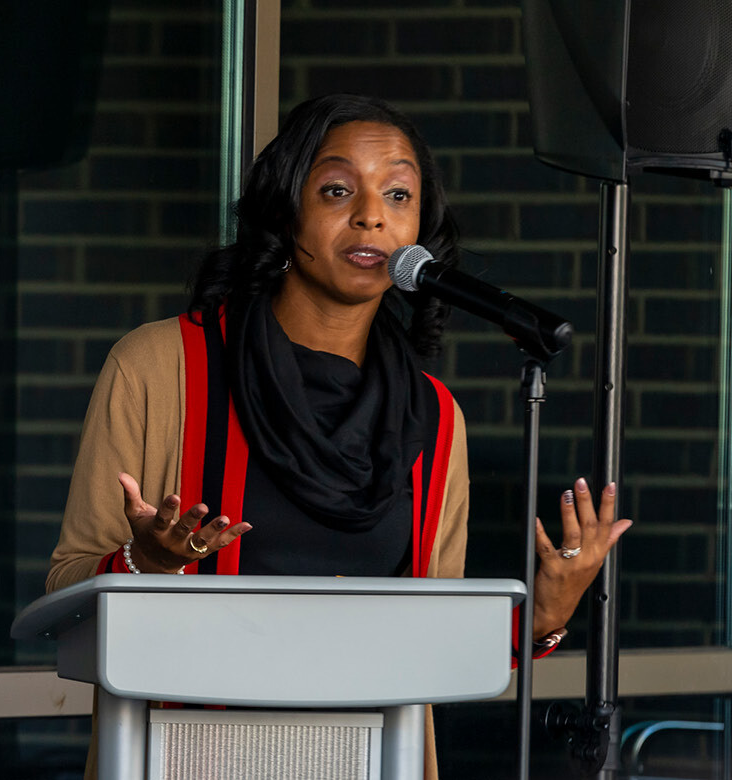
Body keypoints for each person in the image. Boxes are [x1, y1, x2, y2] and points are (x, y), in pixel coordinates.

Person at [47, 94, 631, 778]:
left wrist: (543, 617)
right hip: (191, 761)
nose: (370, 214)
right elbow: (65, 595)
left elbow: (433, 648)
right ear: (286, 208)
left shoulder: (436, 419)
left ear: (420, 230)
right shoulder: (157, 369)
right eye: (335, 189)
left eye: (397, 193)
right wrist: (147, 561)